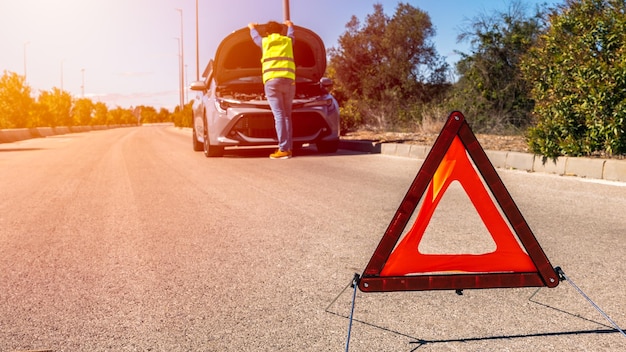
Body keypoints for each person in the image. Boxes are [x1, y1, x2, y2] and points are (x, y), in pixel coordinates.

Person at [248, 20, 296, 159]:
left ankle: (283, 149)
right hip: (289, 81)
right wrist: (290, 26)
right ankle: (288, 148)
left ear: (267, 32)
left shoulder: (265, 42)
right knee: (287, 115)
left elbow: (255, 38)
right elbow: (292, 35)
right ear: (281, 32)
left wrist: (252, 27)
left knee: (279, 115)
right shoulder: (287, 41)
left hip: (272, 81)